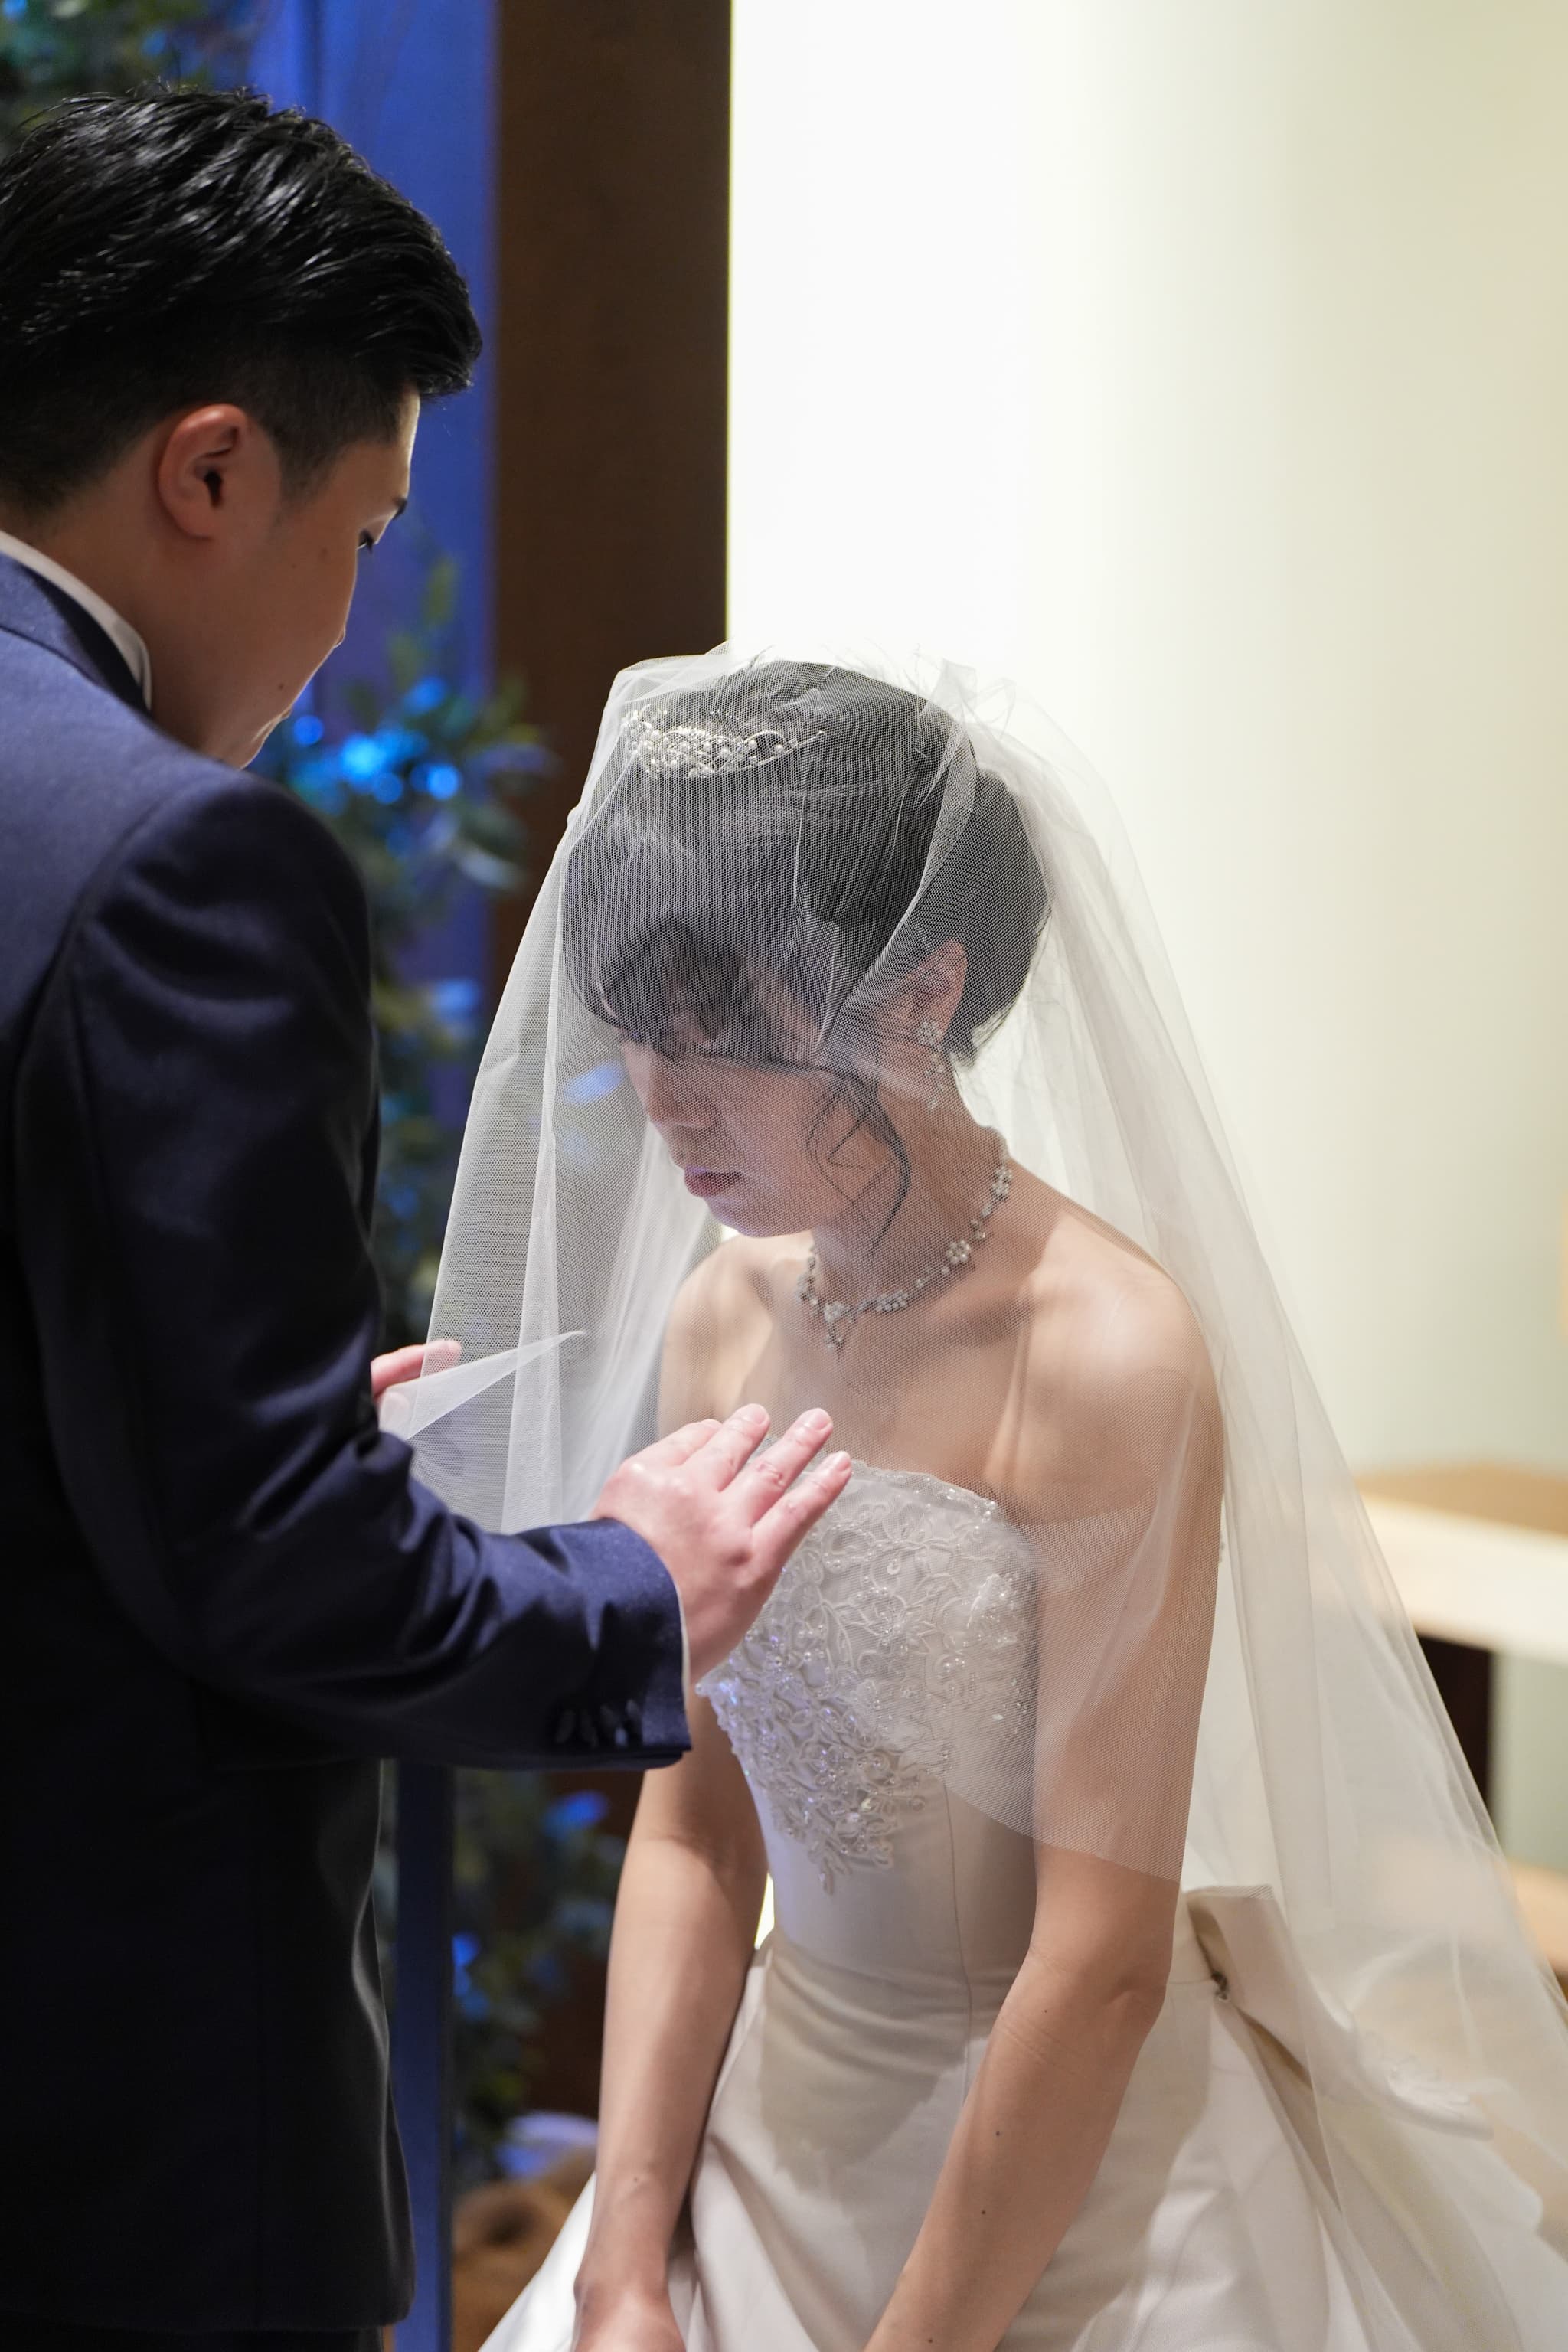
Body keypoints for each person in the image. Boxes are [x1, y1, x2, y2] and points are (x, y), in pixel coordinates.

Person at [405, 650, 1568, 2352]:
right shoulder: (728, 1314)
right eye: (639, 1028)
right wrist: (624, 2267)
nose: (665, 1095)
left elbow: (1100, 1954)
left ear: (922, 992)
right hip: (775, 2133)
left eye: (722, 1028)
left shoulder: (1106, 1355)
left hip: (1070, 2169)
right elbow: (696, 1832)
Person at [0, 96, 848, 2351]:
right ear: (209, 473)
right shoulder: (168, 857)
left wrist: (217, 1420)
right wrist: (630, 1585)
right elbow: (275, 1572)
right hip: (95, 2085)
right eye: (366, 531)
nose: (348, 616)